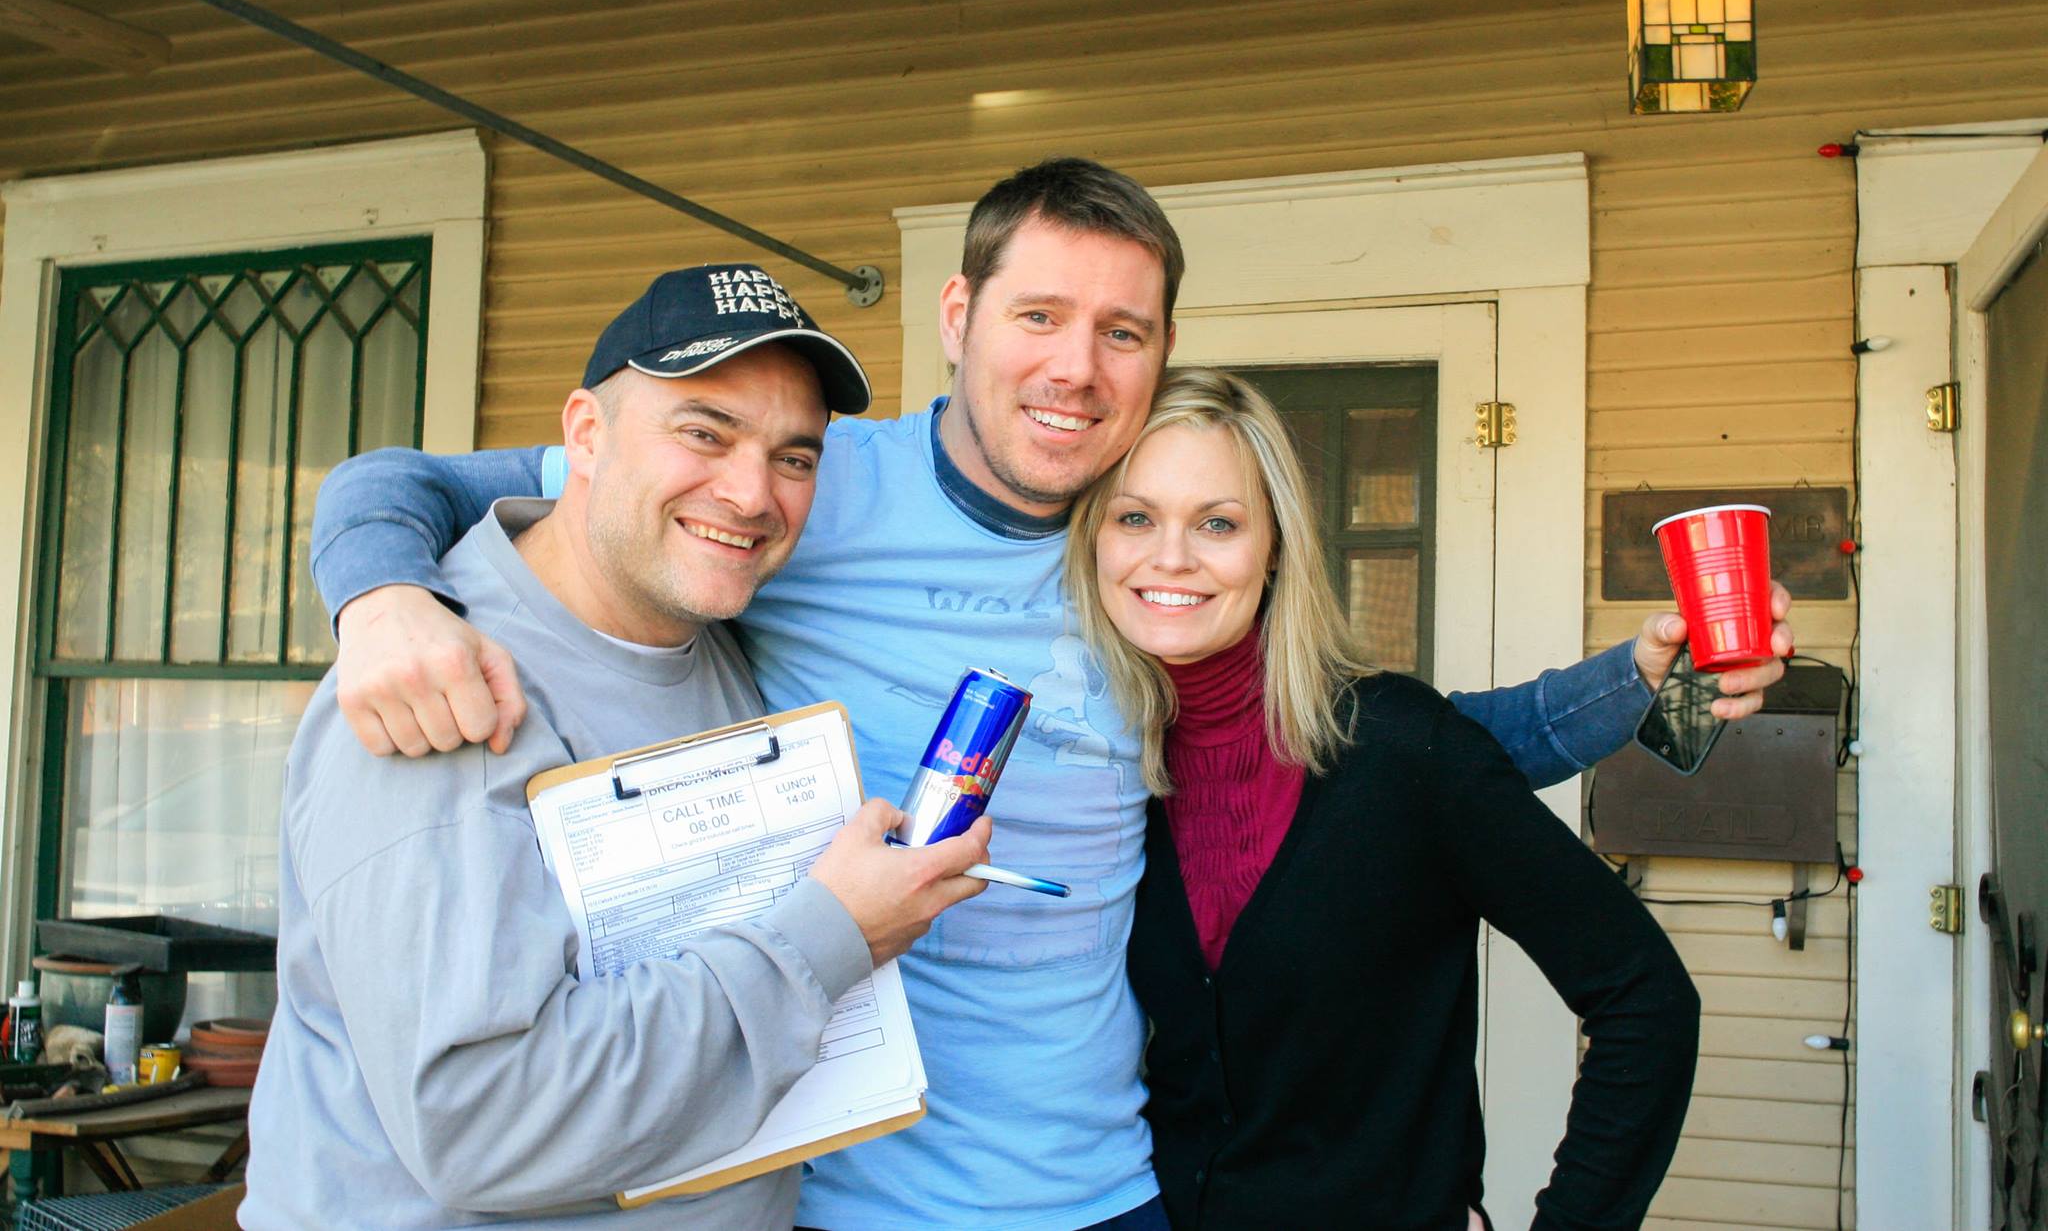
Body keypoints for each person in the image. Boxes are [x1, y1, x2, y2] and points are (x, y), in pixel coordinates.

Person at [306, 158, 1790, 1231]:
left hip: (1110, 1189)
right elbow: (423, 480)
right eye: (1039, 316)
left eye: (1123, 333)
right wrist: (380, 594)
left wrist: (1631, 684)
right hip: (839, 1187)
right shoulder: (797, 481)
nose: (1075, 366)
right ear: (959, 314)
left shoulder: (1132, 548)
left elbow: (1377, 752)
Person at [243, 266, 993, 1230]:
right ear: (585, 433)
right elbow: (485, 1120)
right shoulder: (442, 691)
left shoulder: (707, 638)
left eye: (795, 457)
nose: (751, 492)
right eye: (703, 431)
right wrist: (833, 935)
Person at [1065, 368, 1699, 1229]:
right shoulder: (1105, 768)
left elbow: (1646, 998)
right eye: (1135, 516)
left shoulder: (1401, 745)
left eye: (1218, 522)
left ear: (1276, 543)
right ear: (1094, 540)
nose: (1170, 557)